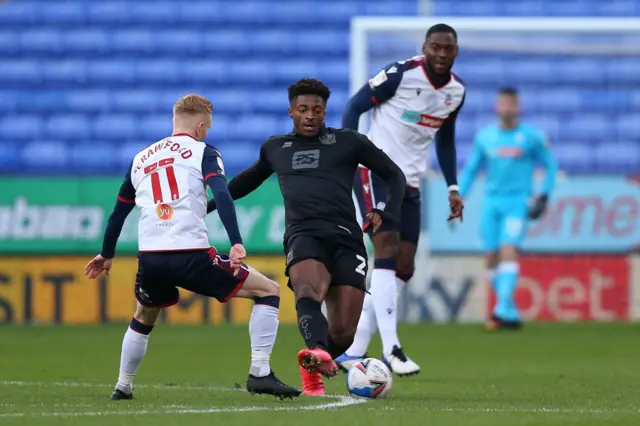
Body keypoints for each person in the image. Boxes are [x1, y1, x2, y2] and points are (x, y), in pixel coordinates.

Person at [84, 94, 300, 401]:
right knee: (268, 290)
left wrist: (106, 254)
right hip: (191, 255)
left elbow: (119, 211)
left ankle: (123, 386)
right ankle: (260, 373)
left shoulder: (141, 158)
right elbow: (222, 194)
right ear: (201, 127)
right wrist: (236, 241)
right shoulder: (204, 152)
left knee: (144, 316)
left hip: (151, 259)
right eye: (207, 128)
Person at [206, 78, 406, 396]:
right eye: (303, 110)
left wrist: (385, 209)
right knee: (307, 289)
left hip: (346, 237)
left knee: (343, 333)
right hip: (303, 233)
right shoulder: (275, 148)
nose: (310, 115)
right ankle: (316, 349)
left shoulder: (349, 141)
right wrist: (208, 206)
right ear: (291, 112)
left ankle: (314, 357)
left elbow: (395, 174)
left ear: (325, 111)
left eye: (316, 110)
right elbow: (245, 181)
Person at [335, 23, 465, 376]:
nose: (440, 53)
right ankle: (392, 347)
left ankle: (352, 350)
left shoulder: (455, 92)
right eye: (434, 47)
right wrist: (351, 151)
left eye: (447, 48)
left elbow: (446, 141)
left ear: (455, 51)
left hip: (410, 182)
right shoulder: (400, 73)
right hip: (375, 172)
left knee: (403, 267)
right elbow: (354, 107)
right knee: (387, 248)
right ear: (425, 47)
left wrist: (453, 186)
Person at [459, 87, 558, 330]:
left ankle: (501, 309)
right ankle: (510, 311)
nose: (507, 108)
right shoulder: (485, 137)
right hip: (492, 202)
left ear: (518, 107)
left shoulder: (531, 137)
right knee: (491, 256)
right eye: (503, 103)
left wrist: (543, 196)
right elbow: (472, 169)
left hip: (518, 201)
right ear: (497, 106)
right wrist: (459, 195)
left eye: (512, 104)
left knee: (508, 249)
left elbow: (550, 165)